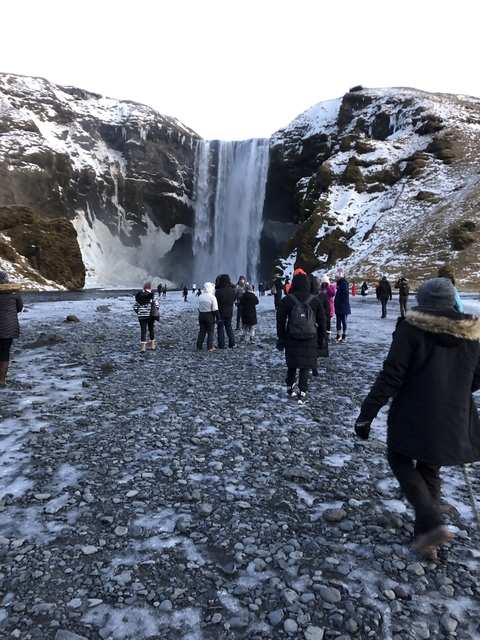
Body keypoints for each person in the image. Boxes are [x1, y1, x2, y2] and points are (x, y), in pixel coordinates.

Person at [354, 278, 480, 560]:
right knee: (429, 467)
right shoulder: (470, 334)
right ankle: (427, 538)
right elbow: (477, 376)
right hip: (453, 415)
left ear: (422, 301)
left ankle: (431, 522)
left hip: (414, 411)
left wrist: (367, 414)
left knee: (398, 457)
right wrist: (456, 389)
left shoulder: (411, 328)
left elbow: (392, 375)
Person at [276, 272, 327, 404]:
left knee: (292, 362)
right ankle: (302, 392)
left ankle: (290, 386)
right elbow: (322, 321)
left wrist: (281, 337)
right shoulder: (315, 300)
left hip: (292, 336)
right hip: (310, 337)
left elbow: (280, 320)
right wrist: (322, 338)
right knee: (306, 364)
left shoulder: (287, 300)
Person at [0, 270, 23, 387]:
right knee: (4, 352)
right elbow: (19, 308)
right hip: (10, 327)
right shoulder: (15, 293)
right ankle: (2, 380)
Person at [133, 283, 159, 352]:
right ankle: (152, 345)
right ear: (150, 288)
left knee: (143, 331)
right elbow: (157, 306)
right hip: (150, 316)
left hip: (141, 317)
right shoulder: (152, 296)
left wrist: (139, 312)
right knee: (151, 330)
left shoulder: (139, 297)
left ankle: (143, 348)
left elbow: (135, 307)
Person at [196, 282, 220, 352]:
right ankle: (210, 346)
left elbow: (198, 307)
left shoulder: (200, 296)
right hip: (210, 316)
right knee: (210, 331)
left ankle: (199, 346)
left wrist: (201, 311)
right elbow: (215, 309)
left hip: (201, 315)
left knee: (202, 331)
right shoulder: (212, 297)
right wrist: (219, 317)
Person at [214, 274, 236, 349]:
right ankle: (232, 343)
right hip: (229, 311)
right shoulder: (232, 290)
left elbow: (215, 301)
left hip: (220, 312)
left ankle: (221, 344)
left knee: (220, 328)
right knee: (229, 327)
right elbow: (234, 299)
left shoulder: (219, 291)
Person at [333, 267, 351, 343]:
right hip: (340, 306)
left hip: (343, 306)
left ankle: (344, 335)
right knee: (338, 321)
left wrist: (340, 301)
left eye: (336, 277)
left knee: (343, 321)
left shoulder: (344, 283)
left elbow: (346, 294)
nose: (336, 279)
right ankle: (339, 335)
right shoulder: (341, 284)